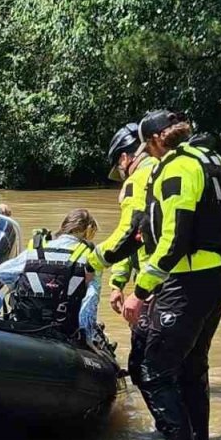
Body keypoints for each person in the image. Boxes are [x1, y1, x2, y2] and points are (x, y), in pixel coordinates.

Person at [119, 110, 221, 440]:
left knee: (152, 371)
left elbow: (174, 241)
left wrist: (140, 292)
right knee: (192, 366)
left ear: (155, 140)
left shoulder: (178, 167)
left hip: (185, 283)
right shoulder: (212, 159)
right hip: (217, 280)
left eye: (146, 146)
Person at [97, 122, 160, 386]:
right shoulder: (163, 169)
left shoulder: (139, 179)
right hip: (161, 281)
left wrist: (91, 262)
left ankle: (168, 428)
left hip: (155, 282)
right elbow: (132, 240)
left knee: (144, 366)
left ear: (125, 157)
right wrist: (118, 282)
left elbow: (127, 233)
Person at [0, 209, 101, 341]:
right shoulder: (91, 258)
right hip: (65, 331)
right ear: (88, 232)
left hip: (27, 325)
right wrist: (88, 339)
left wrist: (18, 285)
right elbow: (90, 302)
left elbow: (1, 272)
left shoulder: (35, 250)